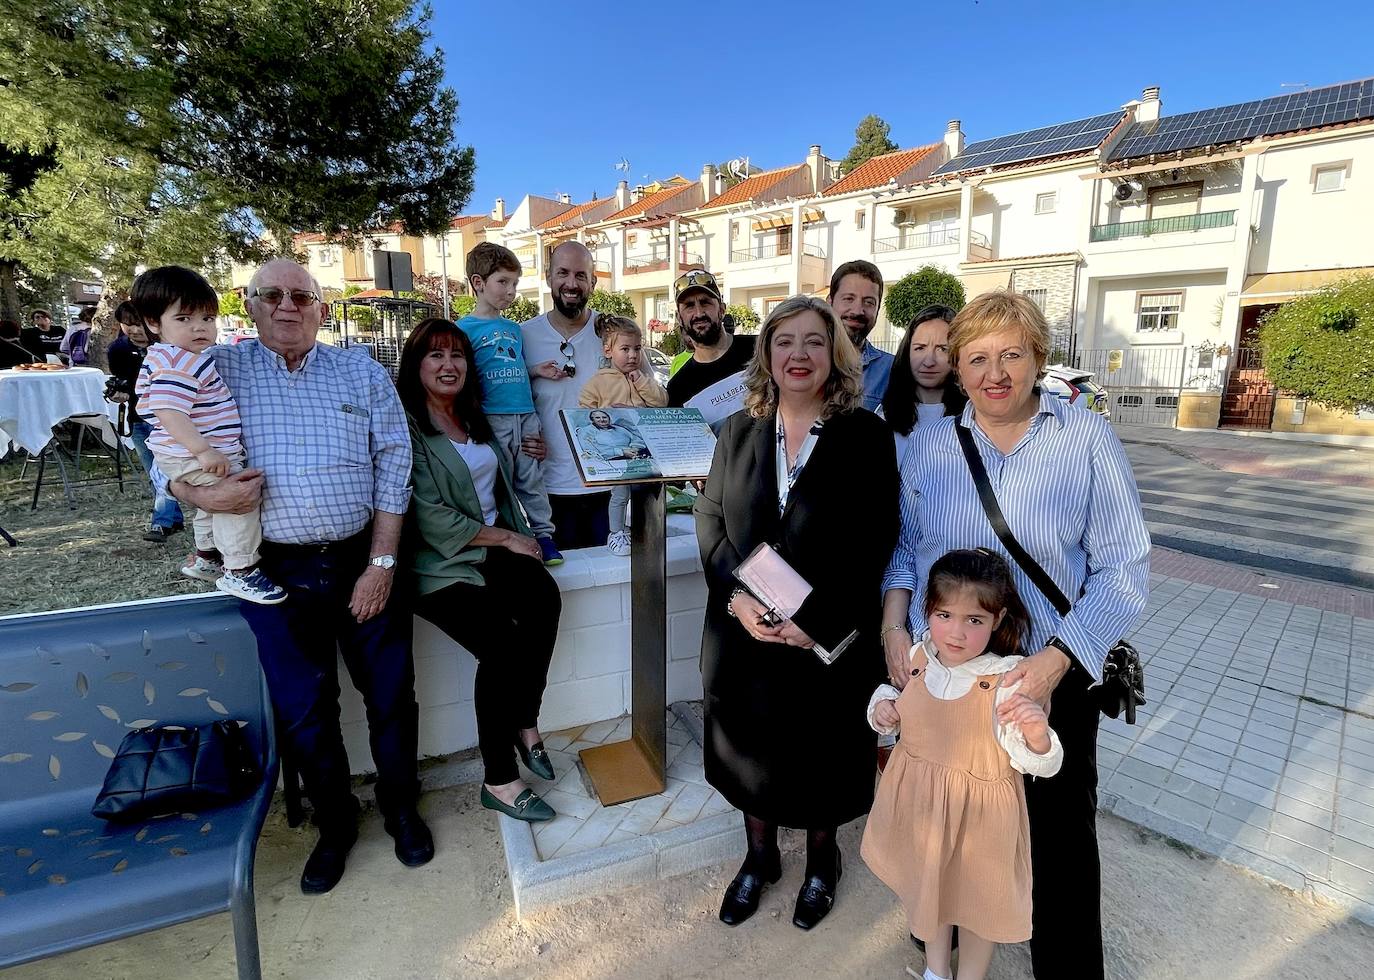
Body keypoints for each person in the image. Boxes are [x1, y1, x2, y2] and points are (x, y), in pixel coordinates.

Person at [881, 290, 1150, 979]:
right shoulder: (932, 447)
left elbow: (1124, 567)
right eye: (977, 357)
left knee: (1057, 837)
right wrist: (895, 622)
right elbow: (907, 550)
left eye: (1011, 355)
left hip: (1048, 673)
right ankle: (945, 943)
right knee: (956, 821)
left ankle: (1062, 966)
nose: (994, 372)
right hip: (949, 680)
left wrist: (1058, 663)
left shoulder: (1084, 438)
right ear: (955, 365)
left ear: (1038, 358)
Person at [168, 258, 432, 894]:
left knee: (391, 696)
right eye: (272, 295)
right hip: (270, 571)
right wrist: (193, 494)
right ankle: (335, 827)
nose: (288, 306)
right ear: (250, 304)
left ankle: (401, 809)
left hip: (359, 559)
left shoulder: (360, 371)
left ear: (321, 306)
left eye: (302, 297)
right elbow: (167, 447)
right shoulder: (217, 370)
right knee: (305, 709)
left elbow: (396, 467)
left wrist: (381, 562)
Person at [695, 295, 899, 931]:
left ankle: (821, 861)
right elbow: (710, 520)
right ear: (767, 354)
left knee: (822, 752)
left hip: (822, 633)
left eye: (814, 341)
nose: (799, 355)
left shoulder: (864, 434)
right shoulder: (736, 431)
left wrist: (822, 621)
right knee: (749, 750)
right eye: (785, 342)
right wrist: (736, 596)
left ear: (834, 354)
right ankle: (759, 858)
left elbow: (877, 537)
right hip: (745, 629)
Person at [862, 549, 1063, 980]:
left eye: (974, 620)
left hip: (981, 823)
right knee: (930, 895)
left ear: (998, 619)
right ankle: (936, 971)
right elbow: (892, 698)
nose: (955, 632)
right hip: (925, 814)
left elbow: (1040, 763)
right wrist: (881, 709)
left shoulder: (1006, 679)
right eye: (944, 614)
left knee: (977, 910)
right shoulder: (919, 657)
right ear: (928, 610)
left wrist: (1037, 735)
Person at [401, 318, 563, 823]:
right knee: (501, 645)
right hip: (438, 563)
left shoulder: (474, 417)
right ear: (416, 365)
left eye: (457, 355)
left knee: (545, 599)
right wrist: (510, 538)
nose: (448, 365)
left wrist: (534, 448)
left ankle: (524, 720)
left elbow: (502, 478)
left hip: (487, 550)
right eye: (435, 355)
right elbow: (430, 514)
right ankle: (499, 780)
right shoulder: (408, 425)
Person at [132, 265, 286, 605]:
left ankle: (206, 556)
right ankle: (241, 570)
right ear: (154, 323)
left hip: (189, 452)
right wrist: (204, 451)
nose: (199, 327)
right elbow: (169, 411)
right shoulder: (180, 362)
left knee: (213, 504)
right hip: (196, 452)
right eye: (184, 319)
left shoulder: (173, 356)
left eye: (207, 318)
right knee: (237, 503)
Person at [456, 242, 562, 566]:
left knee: (531, 479)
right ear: (479, 283)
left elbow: (510, 368)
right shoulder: (464, 329)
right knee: (497, 481)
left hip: (526, 416)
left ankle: (544, 535)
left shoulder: (513, 329)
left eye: (514, 283)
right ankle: (504, 536)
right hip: (492, 418)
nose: (511, 291)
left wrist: (535, 371)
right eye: (503, 282)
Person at [521, 241, 611, 550]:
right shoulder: (523, 336)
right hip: (546, 493)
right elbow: (503, 404)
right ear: (548, 277)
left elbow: (645, 398)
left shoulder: (613, 333)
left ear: (592, 282)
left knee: (612, 588)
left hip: (609, 490)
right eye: (562, 273)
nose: (571, 284)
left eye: (580, 275)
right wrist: (521, 438)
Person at [578, 314, 667, 556]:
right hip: (617, 452)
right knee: (620, 493)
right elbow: (584, 411)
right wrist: (613, 418)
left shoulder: (642, 378)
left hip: (643, 451)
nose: (632, 355)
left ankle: (648, 530)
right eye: (625, 349)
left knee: (649, 492)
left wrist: (641, 384)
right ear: (608, 350)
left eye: (637, 349)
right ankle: (615, 533)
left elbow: (661, 402)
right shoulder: (597, 382)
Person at [106, 300, 184, 541]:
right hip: (138, 417)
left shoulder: (168, 345)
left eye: (138, 324)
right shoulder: (117, 349)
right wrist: (119, 394)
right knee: (154, 472)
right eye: (127, 324)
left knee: (164, 469)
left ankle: (160, 523)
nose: (133, 330)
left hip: (168, 420)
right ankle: (174, 519)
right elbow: (123, 383)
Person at [880, 304, 966, 458]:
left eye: (942, 349)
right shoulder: (883, 416)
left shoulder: (974, 417)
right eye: (920, 348)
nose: (929, 361)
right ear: (907, 352)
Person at [665, 271, 754, 418]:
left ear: (722, 309)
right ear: (679, 318)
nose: (699, 313)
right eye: (689, 306)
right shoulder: (678, 387)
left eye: (705, 302)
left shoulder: (759, 349)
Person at [829, 260, 891, 413]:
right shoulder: (805, 362)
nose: (857, 310)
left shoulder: (893, 370)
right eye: (849, 298)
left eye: (869, 302)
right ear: (830, 302)